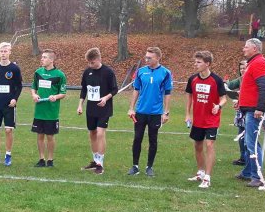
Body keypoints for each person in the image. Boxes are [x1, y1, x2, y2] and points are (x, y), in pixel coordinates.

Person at [184, 51, 228, 189]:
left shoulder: (217, 80)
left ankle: (207, 178)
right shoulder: (192, 79)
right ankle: (200, 172)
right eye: (195, 62)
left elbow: (224, 98)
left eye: (199, 62)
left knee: (209, 144)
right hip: (198, 120)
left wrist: (218, 106)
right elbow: (189, 96)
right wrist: (187, 114)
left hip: (212, 120)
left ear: (207, 63)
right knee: (198, 146)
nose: (195, 64)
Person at [127, 46, 172, 177]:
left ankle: (149, 167)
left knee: (153, 140)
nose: (146, 60)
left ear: (157, 58)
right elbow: (136, 90)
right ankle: (135, 166)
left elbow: (167, 93)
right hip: (140, 112)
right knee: (137, 138)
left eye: (149, 58)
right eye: (146, 57)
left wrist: (166, 112)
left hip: (156, 113)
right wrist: (131, 108)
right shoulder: (141, 72)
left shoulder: (165, 73)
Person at [76, 47, 118, 175]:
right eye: (88, 62)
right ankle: (95, 161)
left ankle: (100, 163)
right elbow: (84, 90)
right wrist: (80, 105)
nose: (90, 65)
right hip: (91, 108)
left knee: (100, 133)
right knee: (92, 133)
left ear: (99, 59)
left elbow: (115, 89)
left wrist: (105, 98)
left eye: (92, 62)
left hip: (104, 108)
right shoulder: (87, 72)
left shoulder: (108, 72)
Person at [237, 38, 265, 188]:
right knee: (248, 142)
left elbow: (264, 87)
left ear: (255, 49)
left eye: (246, 47)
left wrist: (260, 108)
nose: (243, 49)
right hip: (249, 108)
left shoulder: (259, 63)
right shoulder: (253, 63)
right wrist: (241, 102)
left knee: (252, 143)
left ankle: (257, 176)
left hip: (254, 110)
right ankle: (247, 172)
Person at [30, 49, 67, 167]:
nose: (42, 59)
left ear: (51, 60)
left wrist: (55, 97)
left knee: (50, 136)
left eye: (44, 57)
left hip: (51, 112)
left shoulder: (60, 75)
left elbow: (63, 93)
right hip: (39, 111)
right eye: (42, 57)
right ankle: (41, 159)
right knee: (40, 135)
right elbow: (33, 87)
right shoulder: (38, 72)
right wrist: (34, 95)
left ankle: (50, 160)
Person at [227, 59, 247, 166]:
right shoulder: (240, 80)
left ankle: (250, 158)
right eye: (241, 68)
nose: (242, 70)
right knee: (241, 134)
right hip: (241, 111)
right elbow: (228, 86)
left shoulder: (253, 80)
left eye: (244, 68)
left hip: (250, 111)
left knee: (249, 136)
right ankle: (243, 158)